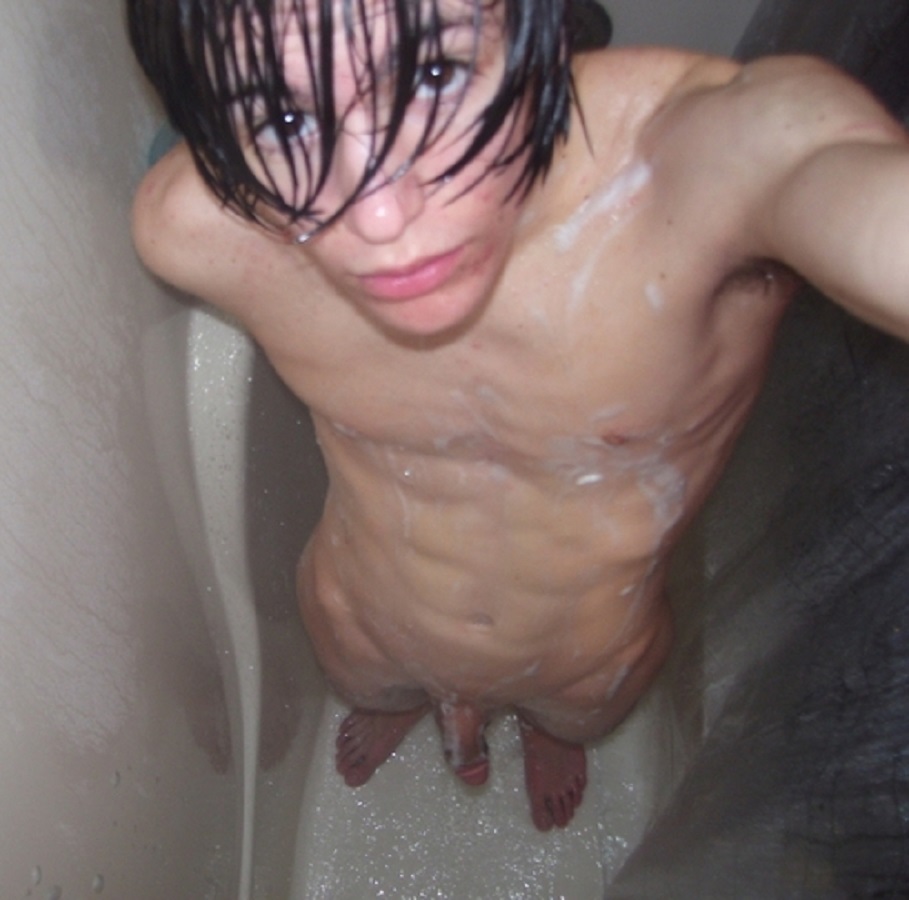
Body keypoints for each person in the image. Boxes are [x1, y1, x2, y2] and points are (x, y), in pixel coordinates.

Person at [126, 0, 909, 831]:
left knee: (572, 716)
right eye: (285, 121)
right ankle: (403, 705)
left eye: (434, 74)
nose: (380, 217)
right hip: (360, 622)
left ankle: (547, 732)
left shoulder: (703, 171)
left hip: (585, 660)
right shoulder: (198, 232)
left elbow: (831, 173)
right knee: (370, 686)